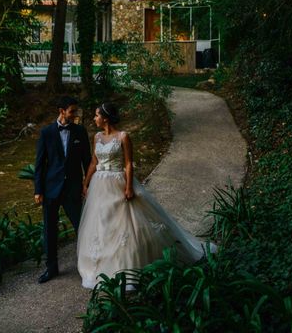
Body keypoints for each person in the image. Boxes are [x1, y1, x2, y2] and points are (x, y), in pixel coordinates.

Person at [77, 103, 211, 290]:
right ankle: (99, 263)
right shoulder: (97, 137)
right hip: (99, 183)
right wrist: (86, 181)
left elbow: (129, 163)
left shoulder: (123, 137)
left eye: (96, 115)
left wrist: (129, 187)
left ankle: (126, 264)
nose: (94, 118)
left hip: (117, 181)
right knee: (101, 222)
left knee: (124, 223)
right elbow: (94, 161)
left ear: (105, 118)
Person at [34, 96, 91, 284]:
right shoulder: (47, 133)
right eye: (72, 111)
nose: (75, 115)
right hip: (51, 189)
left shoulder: (80, 131)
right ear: (61, 111)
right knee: (50, 229)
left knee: (81, 228)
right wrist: (38, 190)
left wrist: (87, 185)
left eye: (75, 111)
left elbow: (87, 161)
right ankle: (51, 269)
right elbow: (40, 164)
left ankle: (88, 265)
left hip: (73, 188)